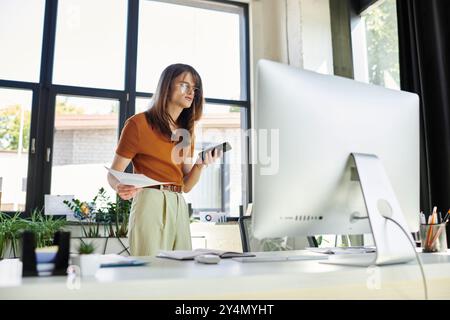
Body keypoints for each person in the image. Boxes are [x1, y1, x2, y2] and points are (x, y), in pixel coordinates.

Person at [107, 63, 222, 256]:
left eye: (194, 89)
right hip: (150, 201)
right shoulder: (138, 124)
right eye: (184, 85)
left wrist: (200, 165)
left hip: (178, 203)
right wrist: (119, 186)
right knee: (150, 270)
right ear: (166, 87)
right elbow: (113, 174)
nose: (191, 92)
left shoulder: (185, 132)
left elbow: (185, 185)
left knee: (182, 271)